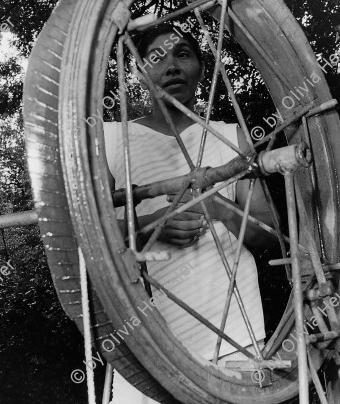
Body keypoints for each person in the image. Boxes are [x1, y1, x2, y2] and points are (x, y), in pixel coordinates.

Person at [103, 23, 275, 404]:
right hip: (145, 332)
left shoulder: (232, 137)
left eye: (183, 54)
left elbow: (270, 233)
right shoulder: (112, 140)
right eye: (157, 57)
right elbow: (87, 234)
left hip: (236, 326)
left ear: (200, 68)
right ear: (138, 72)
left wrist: (219, 207)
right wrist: (153, 226)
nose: (172, 66)